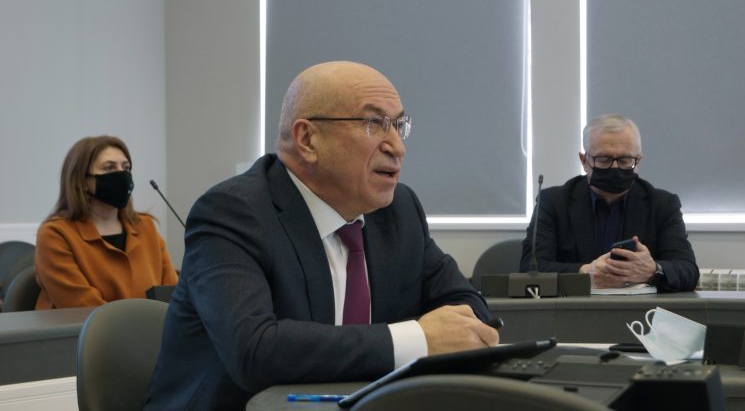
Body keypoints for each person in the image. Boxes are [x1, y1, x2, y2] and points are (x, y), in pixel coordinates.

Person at [144, 61, 498, 410]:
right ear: (307, 139)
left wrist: (452, 334)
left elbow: (468, 310)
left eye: (398, 125)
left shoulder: (398, 211)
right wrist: (416, 339)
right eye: (374, 124)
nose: (397, 147)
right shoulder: (232, 212)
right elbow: (254, 350)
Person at [520, 114, 698, 292]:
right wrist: (585, 272)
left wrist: (653, 270)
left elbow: (688, 270)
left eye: (625, 160)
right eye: (604, 160)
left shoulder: (662, 204)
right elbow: (530, 269)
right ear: (584, 161)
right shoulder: (553, 202)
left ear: (638, 161)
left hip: (641, 308)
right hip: (575, 306)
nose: (615, 167)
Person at [35, 136, 178, 309]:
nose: (122, 174)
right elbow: (83, 307)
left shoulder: (145, 226)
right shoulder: (55, 234)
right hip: (84, 327)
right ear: (82, 180)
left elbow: (173, 296)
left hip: (152, 325)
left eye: (126, 167)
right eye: (109, 168)